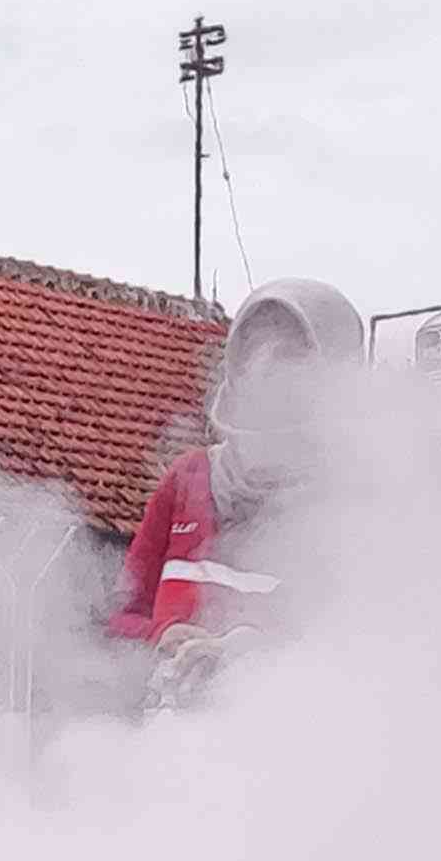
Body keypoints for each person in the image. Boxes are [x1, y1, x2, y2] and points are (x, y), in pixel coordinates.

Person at [111, 278, 367, 696]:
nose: (267, 367)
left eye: (289, 353)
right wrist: (162, 634)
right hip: (163, 741)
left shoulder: (353, 503)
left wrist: (258, 653)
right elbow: (120, 617)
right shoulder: (187, 480)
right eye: (255, 348)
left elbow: (372, 648)